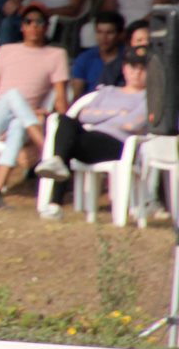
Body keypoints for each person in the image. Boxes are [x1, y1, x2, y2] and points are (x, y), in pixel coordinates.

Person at [0, 3, 69, 208]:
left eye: (39, 22)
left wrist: (59, 120)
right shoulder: (6, 50)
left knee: (18, 127)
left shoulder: (56, 55)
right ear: (22, 26)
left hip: (24, 119)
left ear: (46, 27)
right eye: (28, 22)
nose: (33, 26)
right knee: (12, 96)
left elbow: (60, 97)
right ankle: (48, 152)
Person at [35, 45, 149, 220]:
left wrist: (102, 116)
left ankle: (54, 202)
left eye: (143, 69)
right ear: (125, 69)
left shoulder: (147, 97)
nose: (137, 73)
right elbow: (84, 114)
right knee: (64, 121)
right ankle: (56, 170)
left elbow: (132, 124)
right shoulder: (108, 91)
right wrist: (117, 112)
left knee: (67, 146)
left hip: (118, 143)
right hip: (92, 138)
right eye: (133, 67)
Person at [69, 11, 124, 97]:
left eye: (109, 33)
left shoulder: (128, 58)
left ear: (120, 34)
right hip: (89, 106)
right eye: (99, 32)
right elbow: (76, 95)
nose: (103, 38)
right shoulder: (85, 58)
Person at [99, 18, 149, 87]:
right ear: (130, 43)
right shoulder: (113, 68)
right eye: (139, 40)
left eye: (149, 40)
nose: (145, 44)